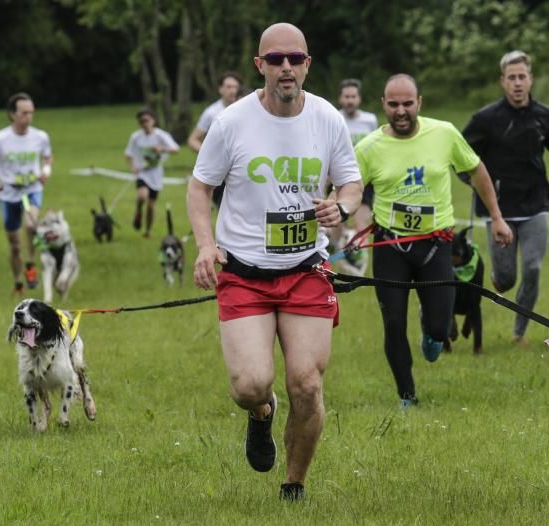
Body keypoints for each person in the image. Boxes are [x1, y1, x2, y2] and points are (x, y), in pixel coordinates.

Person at [187, 22, 363, 501]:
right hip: (245, 274)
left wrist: (341, 207)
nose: (286, 67)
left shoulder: (327, 118)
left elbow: (350, 183)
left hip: (306, 269)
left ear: (307, 64)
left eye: (295, 59)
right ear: (259, 66)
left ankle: (294, 485)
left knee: (306, 383)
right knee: (250, 385)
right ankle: (261, 414)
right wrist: (206, 246)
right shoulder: (232, 123)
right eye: (276, 59)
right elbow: (200, 187)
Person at [355, 74, 513, 407]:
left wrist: (496, 217)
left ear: (419, 103)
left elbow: (476, 170)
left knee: (442, 329)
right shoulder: (368, 147)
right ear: (383, 105)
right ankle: (407, 395)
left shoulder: (443, 133)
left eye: (407, 104)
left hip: (436, 245)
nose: (401, 111)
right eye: (394, 104)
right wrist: (338, 210)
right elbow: (349, 187)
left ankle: (432, 330)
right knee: (394, 322)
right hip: (390, 246)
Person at [462, 50, 549, 344]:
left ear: (530, 80)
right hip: (499, 210)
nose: (517, 83)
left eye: (522, 77)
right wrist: (469, 178)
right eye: (511, 78)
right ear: (502, 82)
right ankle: (500, 276)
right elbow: (463, 154)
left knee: (533, 268)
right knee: (506, 279)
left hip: (535, 205)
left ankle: (519, 332)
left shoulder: (544, 117)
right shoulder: (485, 119)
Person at [0, 92, 53, 295]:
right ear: (12, 115)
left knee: (30, 224)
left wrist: (46, 172)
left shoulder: (40, 136)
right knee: (14, 245)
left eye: (31, 113)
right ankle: (18, 282)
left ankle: (31, 265)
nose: (28, 117)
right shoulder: (0, 139)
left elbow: (48, 157)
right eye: (24, 113)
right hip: (9, 193)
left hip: (31, 190)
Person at [335, 79, 379, 270]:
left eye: (353, 96)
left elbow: (377, 146)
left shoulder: (370, 120)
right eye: (346, 97)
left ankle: (359, 260)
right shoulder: (334, 118)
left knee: (362, 221)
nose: (350, 100)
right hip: (339, 178)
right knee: (337, 218)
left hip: (365, 178)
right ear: (340, 98)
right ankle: (338, 253)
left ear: (359, 98)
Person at [187, 72, 243, 208]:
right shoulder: (211, 112)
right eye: (228, 87)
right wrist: (212, 154)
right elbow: (193, 140)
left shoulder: (245, 109)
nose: (232, 91)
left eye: (235, 87)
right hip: (220, 172)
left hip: (241, 169)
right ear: (220, 89)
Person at [124, 108, 180, 238]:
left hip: (155, 174)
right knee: (142, 196)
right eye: (141, 121)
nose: (144, 123)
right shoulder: (136, 137)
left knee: (151, 205)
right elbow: (128, 154)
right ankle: (138, 212)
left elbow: (176, 149)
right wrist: (133, 167)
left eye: (147, 120)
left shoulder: (161, 135)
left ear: (153, 121)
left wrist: (162, 149)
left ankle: (147, 231)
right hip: (142, 172)